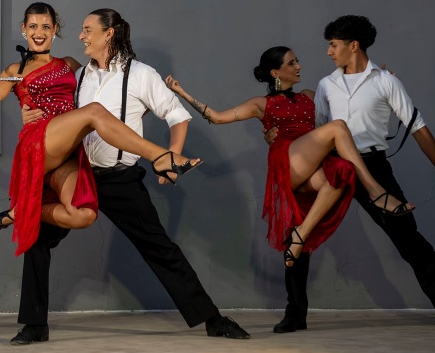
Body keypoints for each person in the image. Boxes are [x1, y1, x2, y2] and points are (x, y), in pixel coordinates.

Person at [10, 8, 248, 345]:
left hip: (120, 178)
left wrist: (170, 158)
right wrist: (27, 113)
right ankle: (35, 325)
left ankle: (211, 318)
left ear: (108, 34)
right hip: (79, 174)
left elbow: (177, 116)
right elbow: (51, 112)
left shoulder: (141, 74)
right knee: (37, 239)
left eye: (87, 30)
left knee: (159, 248)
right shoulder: (78, 77)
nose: (81, 36)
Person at [268, 15, 435, 334]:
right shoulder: (327, 86)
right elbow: (312, 131)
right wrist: (277, 136)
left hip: (372, 165)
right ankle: (295, 314)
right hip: (331, 165)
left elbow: (418, 127)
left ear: (352, 46)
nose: (329, 52)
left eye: (334, 45)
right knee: (299, 234)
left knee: (409, 239)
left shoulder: (387, 81)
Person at [0, 2, 202, 257]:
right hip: (39, 143)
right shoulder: (15, 71)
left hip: (68, 152)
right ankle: (161, 157)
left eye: (45, 26)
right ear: (24, 28)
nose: (38, 32)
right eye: (32, 26)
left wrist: (137, 108)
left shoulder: (71, 65)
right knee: (95, 112)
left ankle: (21, 212)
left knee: (84, 214)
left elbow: (104, 96)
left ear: (55, 29)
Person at [166, 46, 414, 268]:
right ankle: (377, 194)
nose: (299, 66)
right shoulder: (261, 103)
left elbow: (347, 105)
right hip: (287, 161)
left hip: (311, 160)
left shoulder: (308, 94)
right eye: (292, 63)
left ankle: (301, 234)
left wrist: (380, 84)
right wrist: (181, 92)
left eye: (298, 61)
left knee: (342, 172)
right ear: (275, 73)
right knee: (337, 127)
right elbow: (217, 117)